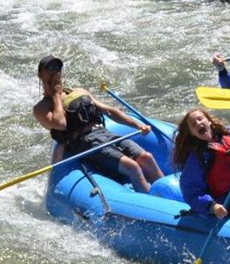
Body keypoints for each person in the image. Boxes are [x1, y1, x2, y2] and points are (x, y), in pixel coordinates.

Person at [32, 55, 163, 193]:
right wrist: (56, 95)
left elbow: (109, 111)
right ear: (41, 75)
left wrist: (137, 125)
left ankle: (170, 195)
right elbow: (60, 124)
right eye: (50, 68)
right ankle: (153, 204)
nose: (56, 71)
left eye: (58, 67)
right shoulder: (41, 108)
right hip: (85, 143)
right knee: (132, 167)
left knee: (147, 158)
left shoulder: (79, 91)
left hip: (103, 133)